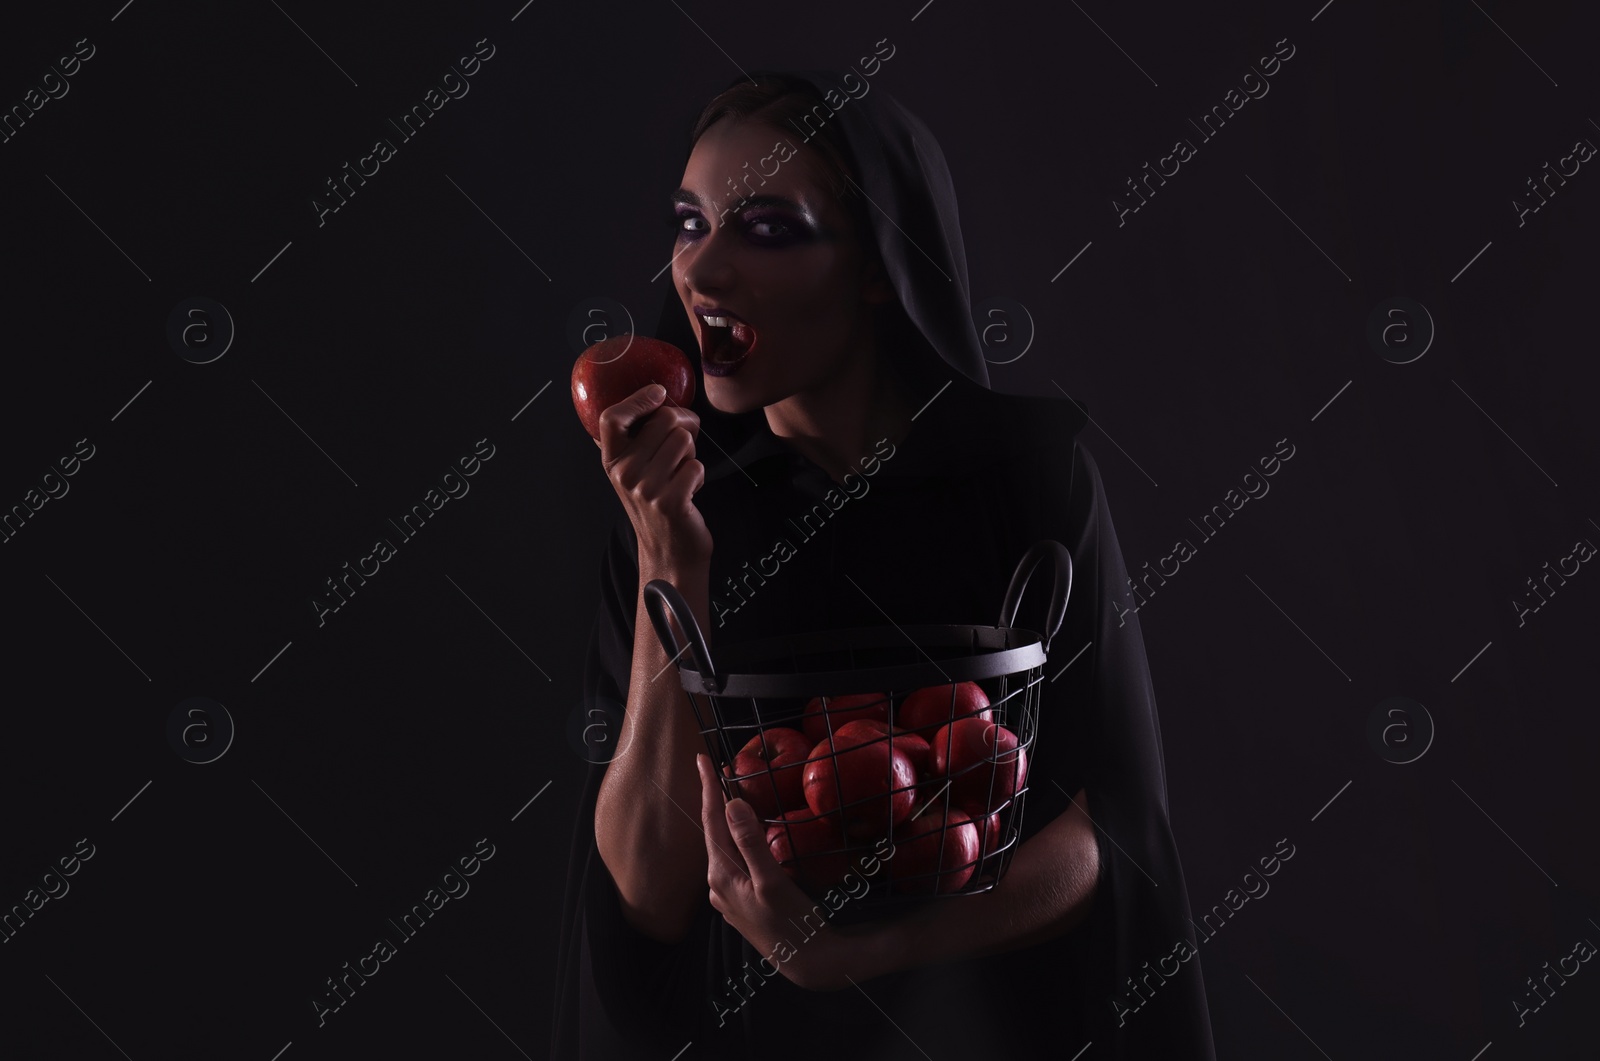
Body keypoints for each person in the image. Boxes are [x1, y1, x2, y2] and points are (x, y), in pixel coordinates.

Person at [552, 69, 1217, 1059]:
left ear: (876, 263)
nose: (700, 273)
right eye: (689, 224)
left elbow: (1111, 833)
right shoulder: (668, 505)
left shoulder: (1029, 483)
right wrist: (669, 563)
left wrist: (864, 948)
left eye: (766, 229)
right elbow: (645, 894)